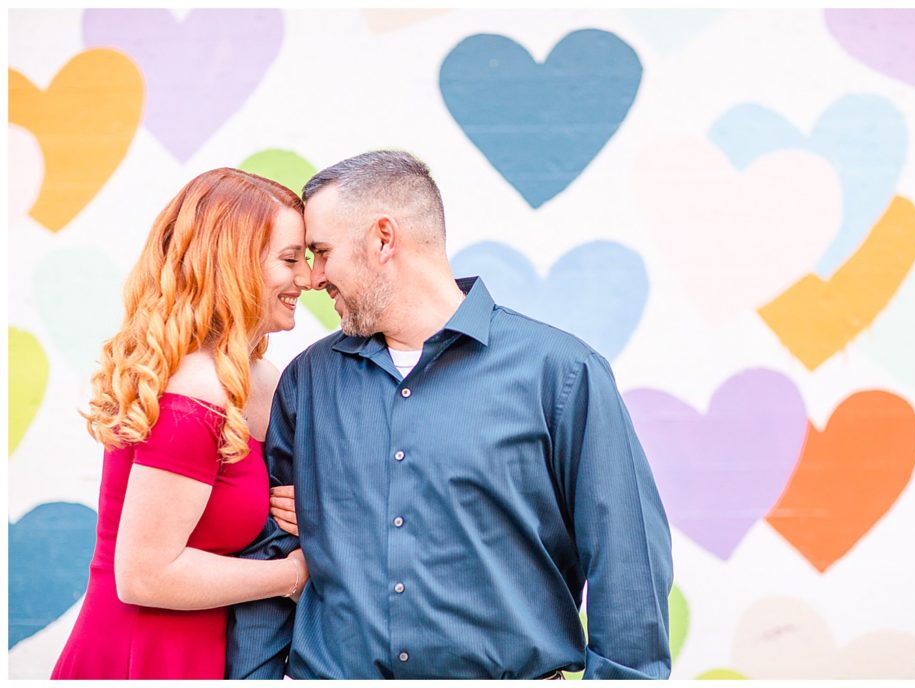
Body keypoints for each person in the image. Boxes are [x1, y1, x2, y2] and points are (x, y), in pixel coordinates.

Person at [227, 151, 673, 680]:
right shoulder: (307, 383)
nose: (313, 276)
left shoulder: (561, 373)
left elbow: (627, 563)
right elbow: (271, 557)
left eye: (322, 252)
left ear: (383, 239)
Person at [51, 168, 313, 680]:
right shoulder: (194, 392)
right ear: (234, 264)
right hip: (146, 653)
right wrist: (293, 574)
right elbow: (145, 575)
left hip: (211, 649)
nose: (307, 278)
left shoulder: (264, 379)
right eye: (289, 259)